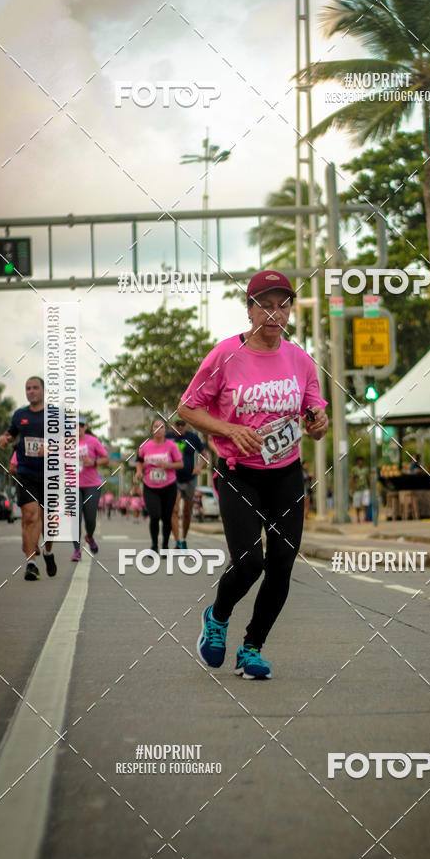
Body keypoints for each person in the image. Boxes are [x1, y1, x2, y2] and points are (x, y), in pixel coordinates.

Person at [178, 270, 328, 680]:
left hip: (286, 475)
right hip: (238, 473)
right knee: (249, 564)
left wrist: (318, 424)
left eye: (282, 304)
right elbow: (187, 409)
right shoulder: (225, 355)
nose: (274, 313)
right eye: (264, 304)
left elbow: (318, 415)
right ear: (249, 310)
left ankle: (251, 649)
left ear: (290, 310)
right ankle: (217, 616)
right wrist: (230, 430)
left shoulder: (300, 358)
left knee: (282, 563)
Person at [0, 376, 57, 581]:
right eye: (28, 388)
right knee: (31, 517)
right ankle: (31, 564)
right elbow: (11, 433)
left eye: (35, 388)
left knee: (48, 523)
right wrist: (4, 439)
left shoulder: (54, 414)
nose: (31, 391)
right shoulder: (19, 415)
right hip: (26, 474)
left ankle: (48, 552)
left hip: (50, 476)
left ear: (43, 390)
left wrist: (49, 448)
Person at [135, 419, 183, 552]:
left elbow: (180, 464)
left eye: (161, 427)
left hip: (169, 486)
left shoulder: (171, 446)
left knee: (167, 518)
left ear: (165, 431)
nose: (158, 429)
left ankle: (165, 546)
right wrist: (139, 471)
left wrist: (169, 465)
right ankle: (154, 546)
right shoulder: (145, 446)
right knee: (155, 515)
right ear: (152, 430)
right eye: (155, 426)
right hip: (150, 487)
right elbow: (139, 460)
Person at [71, 416, 109, 561]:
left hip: (92, 485)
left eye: (81, 425)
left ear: (85, 427)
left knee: (90, 518)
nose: (78, 428)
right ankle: (76, 550)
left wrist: (93, 462)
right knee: (75, 518)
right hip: (73, 485)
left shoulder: (93, 441)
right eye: (75, 425)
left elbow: (106, 459)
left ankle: (90, 536)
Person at [167, 418, 206, 549]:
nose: (180, 427)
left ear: (186, 426)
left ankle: (183, 538)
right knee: (174, 510)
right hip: (173, 478)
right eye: (177, 425)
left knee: (187, 511)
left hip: (189, 478)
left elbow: (204, 456)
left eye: (183, 425)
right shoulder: (168, 438)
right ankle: (177, 541)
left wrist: (199, 467)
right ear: (173, 426)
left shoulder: (193, 437)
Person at [349, 456, 370, 524]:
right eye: (359, 461)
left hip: (365, 488)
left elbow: (368, 478)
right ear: (357, 462)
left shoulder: (366, 469)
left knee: (366, 503)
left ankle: (365, 517)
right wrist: (352, 488)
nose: (361, 462)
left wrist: (370, 487)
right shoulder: (354, 469)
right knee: (357, 505)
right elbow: (352, 479)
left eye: (362, 461)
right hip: (357, 489)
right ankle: (358, 518)